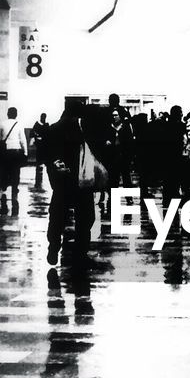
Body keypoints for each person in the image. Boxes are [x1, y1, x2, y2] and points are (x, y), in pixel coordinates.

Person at [43, 96, 113, 267]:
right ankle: (80, 253)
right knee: (85, 218)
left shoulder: (54, 128)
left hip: (62, 183)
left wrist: (55, 172)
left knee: (57, 217)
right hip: (83, 182)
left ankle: (53, 246)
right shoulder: (84, 130)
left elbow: (46, 155)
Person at [0, 106, 29, 213]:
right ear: (16, 114)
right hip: (16, 151)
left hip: (6, 151)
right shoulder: (19, 124)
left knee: (5, 170)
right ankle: (15, 188)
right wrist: (25, 152)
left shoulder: (2, 124)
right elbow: (23, 140)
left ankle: (4, 187)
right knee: (16, 171)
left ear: (8, 114)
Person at [30, 112, 50, 191]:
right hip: (43, 146)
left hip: (41, 146)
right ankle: (39, 173)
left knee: (39, 162)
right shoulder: (45, 126)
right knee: (40, 161)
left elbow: (32, 135)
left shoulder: (37, 125)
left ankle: (38, 176)